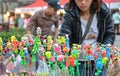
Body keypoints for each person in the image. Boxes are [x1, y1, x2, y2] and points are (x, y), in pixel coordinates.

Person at [59, 0, 115, 76]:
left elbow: (109, 33)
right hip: (78, 61)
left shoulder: (103, 12)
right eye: (79, 0)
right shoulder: (70, 14)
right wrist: (64, 58)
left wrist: (106, 49)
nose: (83, 2)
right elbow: (64, 36)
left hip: (99, 60)